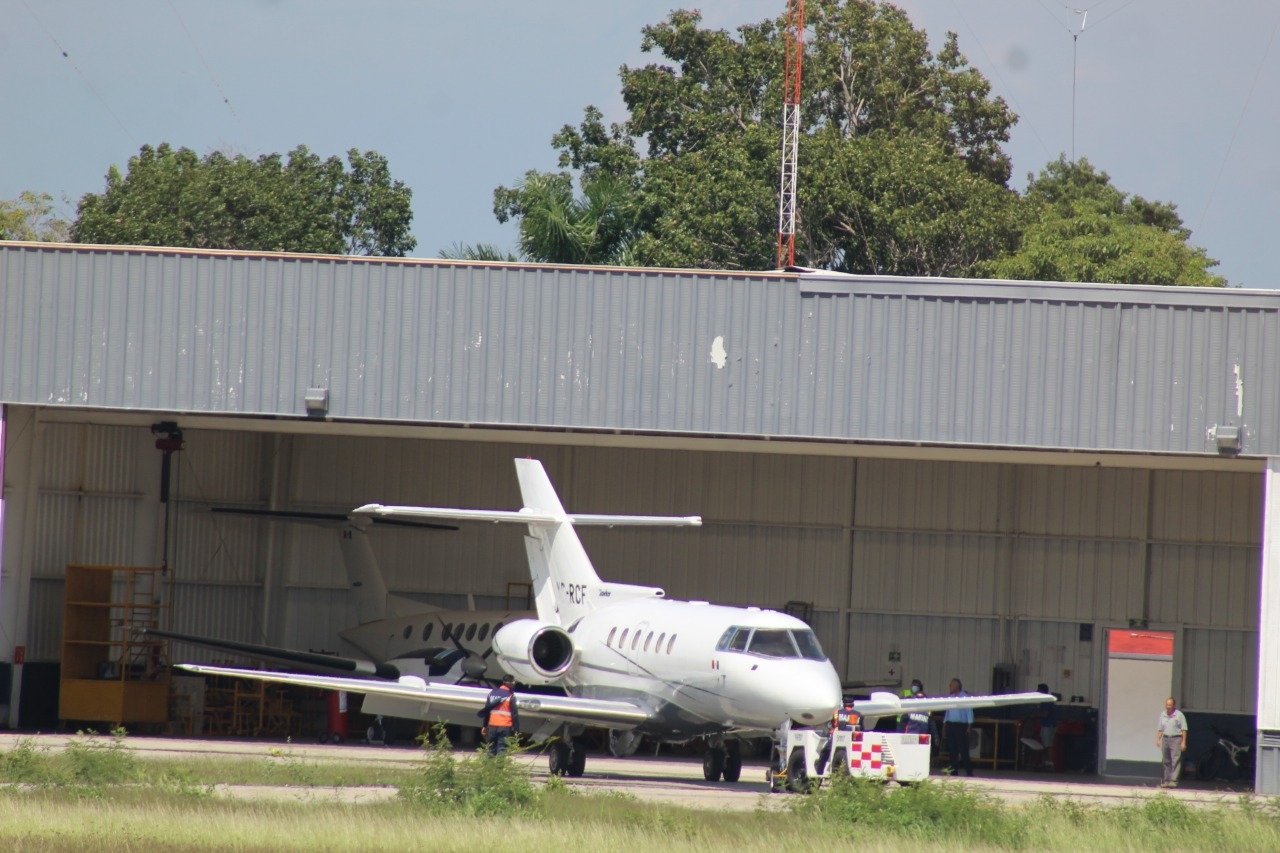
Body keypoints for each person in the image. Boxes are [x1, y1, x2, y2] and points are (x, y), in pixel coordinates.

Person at [478, 674, 520, 756]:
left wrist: (484, 725)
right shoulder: (511, 696)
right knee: (502, 749)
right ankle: (499, 768)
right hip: (505, 727)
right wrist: (516, 730)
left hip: (492, 726)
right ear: (510, 683)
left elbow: (487, 710)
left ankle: (489, 768)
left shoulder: (492, 693)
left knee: (490, 749)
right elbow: (514, 714)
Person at [943, 678, 975, 777]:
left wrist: (969, 726)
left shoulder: (964, 697)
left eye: (951, 685)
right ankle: (953, 771)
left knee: (963, 750)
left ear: (956, 686)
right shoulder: (950, 697)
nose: (950, 687)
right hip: (951, 725)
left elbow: (969, 712)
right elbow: (947, 712)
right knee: (952, 750)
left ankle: (969, 771)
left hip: (961, 726)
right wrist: (945, 725)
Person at [1156, 696, 1188, 788]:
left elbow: (1184, 729)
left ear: (1174, 705)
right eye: (1167, 704)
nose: (1168, 706)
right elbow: (1160, 729)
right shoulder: (1163, 714)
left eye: (1170, 705)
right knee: (1166, 760)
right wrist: (1158, 739)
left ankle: (1173, 781)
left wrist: (1183, 742)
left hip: (1176, 739)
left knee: (1175, 760)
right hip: (1165, 738)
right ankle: (1166, 780)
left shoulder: (1179, 715)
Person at [1034, 682, 1058, 769]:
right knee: (1045, 745)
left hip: (1048, 725)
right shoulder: (1047, 700)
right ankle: (1046, 763)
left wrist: (1035, 715)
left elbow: (1045, 714)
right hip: (1047, 725)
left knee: (1048, 745)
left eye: (1038, 690)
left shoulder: (1046, 701)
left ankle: (1051, 763)